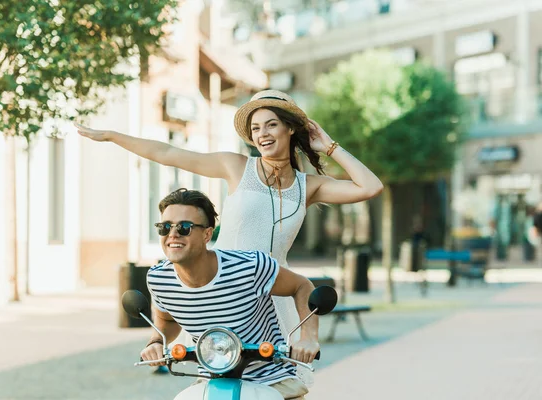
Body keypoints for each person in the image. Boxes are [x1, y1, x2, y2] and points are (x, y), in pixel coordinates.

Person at [75, 89, 383, 382]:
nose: (262, 134)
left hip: (276, 294)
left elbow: (370, 187)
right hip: (223, 290)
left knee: (283, 384)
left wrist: (328, 147)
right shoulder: (237, 167)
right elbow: (167, 152)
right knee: (214, 377)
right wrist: (112, 136)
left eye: (272, 125)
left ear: (291, 129)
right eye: (256, 128)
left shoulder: (309, 186)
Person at [143, 188, 318, 399]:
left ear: (207, 234)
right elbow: (167, 320)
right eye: (165, 227)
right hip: (212, 381)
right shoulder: (159, 279)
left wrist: (308, 339)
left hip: (271, 380)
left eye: (185, 227)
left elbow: (302, 286)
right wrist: (156, 342)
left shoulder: (250, 267)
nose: (173, 234)